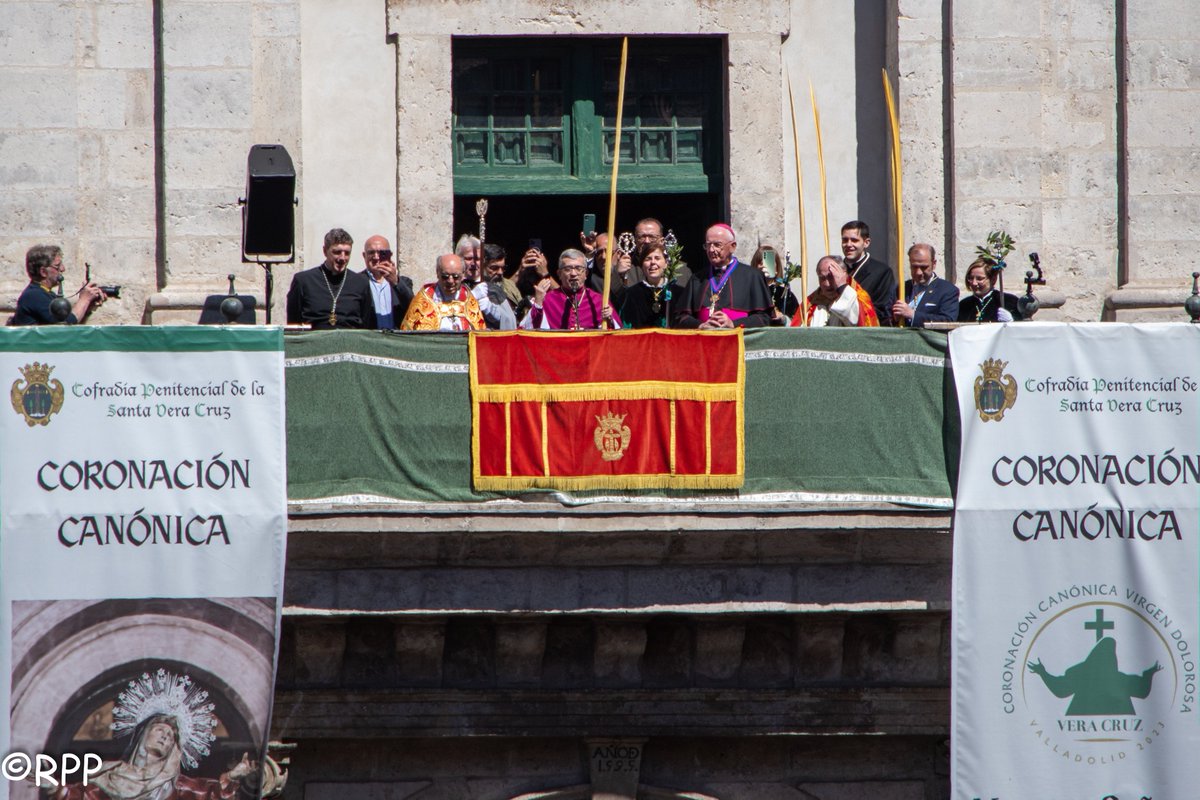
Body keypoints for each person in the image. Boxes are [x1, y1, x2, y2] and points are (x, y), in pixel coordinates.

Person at [674, 223, 773, 329]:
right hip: (704, 341)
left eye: (717, 244)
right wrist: (700, 325)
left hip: (740, 341)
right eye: (708, 245)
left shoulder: (753, 276)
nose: (711, 250)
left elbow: (764, 318)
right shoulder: (697, 278)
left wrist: (734, 324)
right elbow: (681, 317)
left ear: (732, 247)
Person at [285, 228, 376, 329]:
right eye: (337, 252)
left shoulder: (361, 283)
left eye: (347, 253)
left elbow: (366, 327)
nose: (342, 258)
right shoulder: (303, 281)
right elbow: (293, 327)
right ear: (325, 251)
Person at [521, 249, 618, 330]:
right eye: (567, 269)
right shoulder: (548, 300)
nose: (573, 273)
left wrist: (610, 320)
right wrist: (538, 305)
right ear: (559, 274)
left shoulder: (598, 301)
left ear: (586, 274)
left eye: (578, 268)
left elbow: (616, 336)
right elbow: (529, 331)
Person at [12, 245, 105, 325]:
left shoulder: (45, 293)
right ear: (43, 272)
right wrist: (85, 299)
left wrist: (88, 305)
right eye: (57, 266)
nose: (63, 269)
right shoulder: (34, 296)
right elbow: (66, 324)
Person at [400, 254, 494, 331]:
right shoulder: (423, 300)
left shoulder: (469, 300)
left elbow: (479, 334)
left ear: (463, 275)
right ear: (437, 273)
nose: (450, 281)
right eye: (445, 276)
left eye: (456, 276)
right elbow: (408, 335)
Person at [840, 220, 898, 327]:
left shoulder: (882, 272)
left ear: (866, 242)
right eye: (845, 240)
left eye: (854, 240)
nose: (848, 244)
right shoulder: (836, 269)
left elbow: (882, 310)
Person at [797, 255, 879, 327]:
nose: (827, 284)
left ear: (844, 275)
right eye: (822, 278)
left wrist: (842, 286)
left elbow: (855, 321)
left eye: (831, 277)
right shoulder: (810, 303)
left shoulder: (857, 297)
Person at [890, 243, 959, 327]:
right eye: (914, 267)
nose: (918, 272)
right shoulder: (901, 289)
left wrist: (913, 315)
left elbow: (948, 321)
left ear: (934, 264)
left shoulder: (947, 290)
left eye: (923, 267)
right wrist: (895, 318)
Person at [360, 235, 413, 330]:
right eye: (371, 252)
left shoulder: (404, 282)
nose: (376, 257)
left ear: (390, 255)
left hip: (396, 340)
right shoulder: (356, 281)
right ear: (364, 256)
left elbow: (413, 306)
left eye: (381, 253)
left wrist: (396, 282)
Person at [618, 242, 673, 328]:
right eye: (648, 259)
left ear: (666, 263)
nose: (653, 262)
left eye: (657, 258)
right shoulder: (631, 294)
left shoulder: (677, 292)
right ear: (642, 265)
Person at [957, 258, 1023, 322]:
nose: (974, 283)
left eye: (979, 279)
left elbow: (1022, 328)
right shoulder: (964, 305)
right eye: (970, 278)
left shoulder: (1009, 301)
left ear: (993, 280)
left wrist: (1012, 321)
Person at [751, 244, 798, 326]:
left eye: (768, 262)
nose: (763, 266)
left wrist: (783, 319)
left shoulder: (785, 294)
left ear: (777, 267)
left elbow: (796, 321)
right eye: (760, 263)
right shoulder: (749, 291)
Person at [483, 243, 521, 308]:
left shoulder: (510, 285)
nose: (500, 272)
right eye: (494, 268)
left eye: (503, 268)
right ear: (482, 267)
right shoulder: (476, 290)